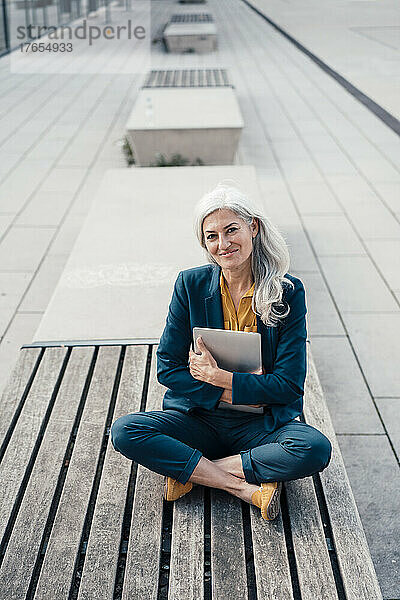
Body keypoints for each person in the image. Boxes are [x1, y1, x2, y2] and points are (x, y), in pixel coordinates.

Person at [111, 183, 332, 521]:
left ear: (253, 227)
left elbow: (288, 386)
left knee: (314, 448)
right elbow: (168, 368)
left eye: (232, 230)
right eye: (212, 236)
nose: (223, 244)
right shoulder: (191, 284)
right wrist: (230, 394)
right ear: (204, 243)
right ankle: (241, 486)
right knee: (126, 430)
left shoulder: (288, 292)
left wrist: (220, 377)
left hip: (261, 426)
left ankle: (195, 471)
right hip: (201, 418)